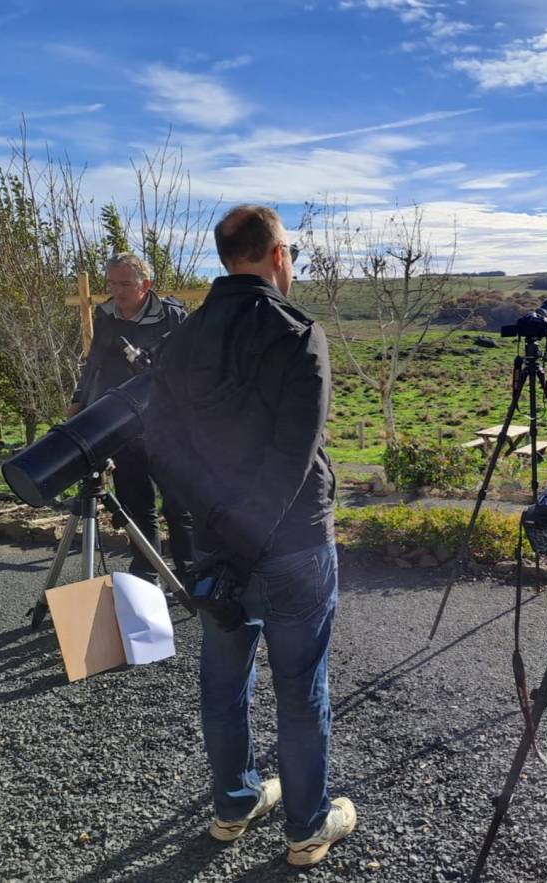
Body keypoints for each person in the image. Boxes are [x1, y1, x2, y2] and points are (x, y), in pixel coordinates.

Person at [144, 205, 355, 866]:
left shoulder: (183, 336)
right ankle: (306, 827)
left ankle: (234, 803)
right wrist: (249, 535)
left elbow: (161, 445)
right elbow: (293, 454)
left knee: (224, 679)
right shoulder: (297, 331)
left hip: (213, 544)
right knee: (300, 687)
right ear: (275, 255)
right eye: (288, 251)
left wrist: (214, 530)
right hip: (293, 542)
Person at [68, 252, 194, 582]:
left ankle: (192, 574)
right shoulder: (106, 314)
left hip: (168, 426)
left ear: (145, 284)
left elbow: (191, 368)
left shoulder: (173, 316)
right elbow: (93, 364)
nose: (117, 291)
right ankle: (146, 577)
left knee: (179, 505)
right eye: (112, 283)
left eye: (125, 283)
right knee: (136, 506)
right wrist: (78, 401)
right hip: (122, 424)